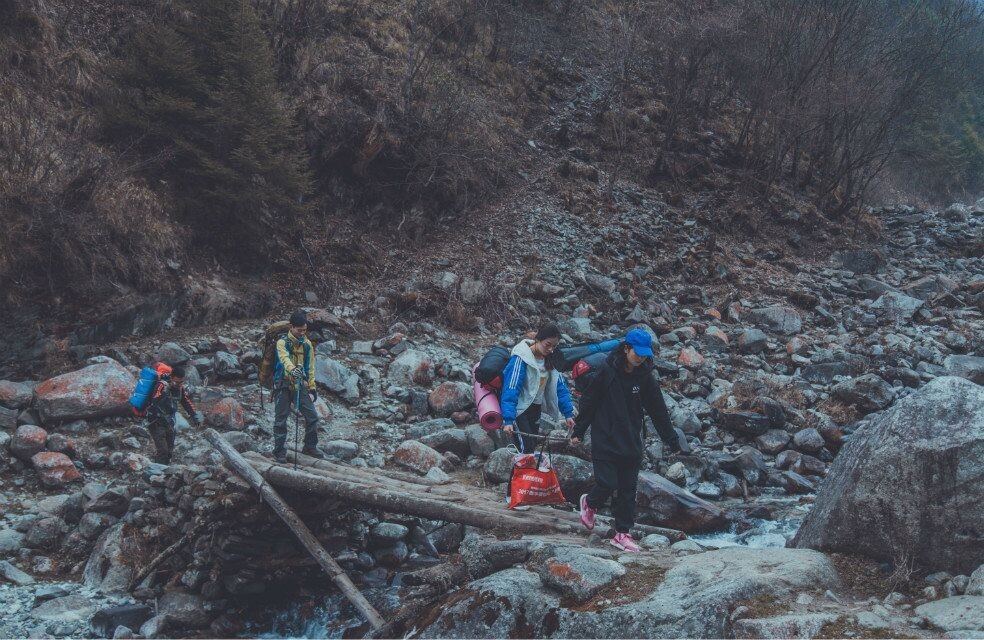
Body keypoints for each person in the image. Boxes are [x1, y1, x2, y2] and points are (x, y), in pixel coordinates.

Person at [570, 328, 682, 552]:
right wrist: (578, 431)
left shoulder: (645, 377)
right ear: (626, 348)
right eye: (637, 353)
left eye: (644, 354)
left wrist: (671, 439)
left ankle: (622, 534)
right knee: (607, 482)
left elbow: (658, 410)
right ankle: (590, 503)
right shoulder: (606, 371)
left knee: (628, 490)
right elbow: (589, 402)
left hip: (631, 438)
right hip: (605, 436)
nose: (640, 358)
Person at [500, 323, 576, 454]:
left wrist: (568, 413)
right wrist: (508, 419)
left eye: (554, 346)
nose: (551, 349)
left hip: (535, 407)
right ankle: (518, 473)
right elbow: (511, 388)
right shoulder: (521, 357)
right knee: (525, 447)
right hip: (520, 409)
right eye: (548, 344)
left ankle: (525, 473)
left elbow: (560, 388)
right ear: (538, 339)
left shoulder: (550, 360)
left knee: (532, 444)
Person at [272, 310, 324, 463]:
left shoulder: (307, 345)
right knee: (281, 420)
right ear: (291, 327)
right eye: (299, 330)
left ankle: (309, 446)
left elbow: (310, 367)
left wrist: (312, 386)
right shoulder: (282, 343)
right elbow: (284, 359)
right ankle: (279, 451)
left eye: (304, 330)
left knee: (312, 417)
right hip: (283, 384)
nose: (302, 333)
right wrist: (293, 369)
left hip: (300, 385)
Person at [146, 365, 202, 464]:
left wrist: (194, 416)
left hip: (169, 421)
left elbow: (185, 402)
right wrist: (166, 391)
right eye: (177, 382)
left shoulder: (180, 388)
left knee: (170, 449)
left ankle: (165, 469)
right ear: (171, 378)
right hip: (156, 422)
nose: (179, 384)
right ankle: (157, 472)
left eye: (182, 382)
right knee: (163, 450)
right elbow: (155, 399)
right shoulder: (161, 385)